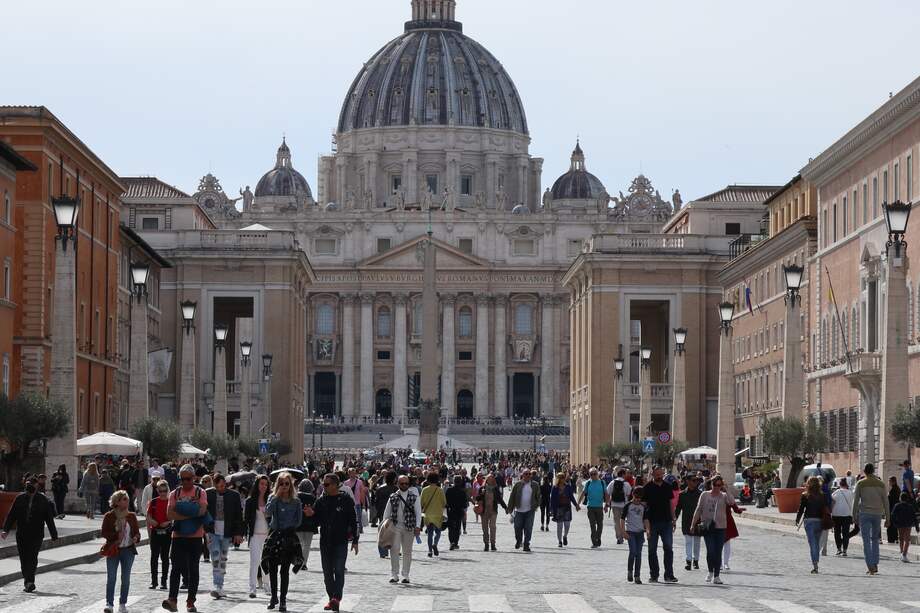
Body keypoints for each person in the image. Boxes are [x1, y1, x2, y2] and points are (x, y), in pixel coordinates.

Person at [303, 474, 359, 613]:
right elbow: (315, 522)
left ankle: (336, 598)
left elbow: (353, 520)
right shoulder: (321, 501)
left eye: (327, 484)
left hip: (340, 542)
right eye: (323, 484)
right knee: (327, 573)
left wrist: (355, 541)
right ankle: (331, 599)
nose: (324, 487)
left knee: (339, 571)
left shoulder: (346, 500)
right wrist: (310, 515)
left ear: (335, 485)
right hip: (325, 542)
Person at [162, 464, 209, 613]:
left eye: (188, 479)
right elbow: (170, 514)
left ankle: (190, 601)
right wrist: (190, 512)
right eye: (182, 479)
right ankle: (172, 600)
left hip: (195, 537)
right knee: (175, 568)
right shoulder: (174, 494)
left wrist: (181, 511)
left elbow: (202, 511)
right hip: (178, 536)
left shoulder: (200, 492)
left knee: (193, 569)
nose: (185, 482)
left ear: (194, 478)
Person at [0, 475, 58, 592]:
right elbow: (12, 515)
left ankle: (29, 582)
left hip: (36, 534)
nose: (30, 488)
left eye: (32, 485)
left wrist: (54, 534)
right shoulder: (20, 498)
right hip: (22, 533)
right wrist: (5, 530)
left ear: (37, 486)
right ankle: (27, 579)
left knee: (32, 557)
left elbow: (49, 518)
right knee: (24, 558)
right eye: (28, 485)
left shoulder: (42, 500)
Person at [262, 472, 305, 611]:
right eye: (281, 483)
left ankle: (283, 600)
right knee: (273, 568)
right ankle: (273, 596)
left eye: (287, 483)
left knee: (285, 571)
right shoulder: (272, 497)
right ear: (277, 484)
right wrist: (276, 496)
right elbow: (267, 512)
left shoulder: (296, 501)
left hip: (289, 536)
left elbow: (299, 521)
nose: (284, 486)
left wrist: (289, 526)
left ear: (291, 485)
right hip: (275, 535)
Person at [101, 490, 141, 613]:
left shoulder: (131, 516)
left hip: (128, 550)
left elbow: (137, 533)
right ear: (117, 502)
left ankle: (122, 603)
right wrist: (116, 535)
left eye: (127, 499)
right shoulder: (109, 516)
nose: (127, 501)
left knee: (126, 578)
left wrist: (136, 537)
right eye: (124, 499)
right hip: (114, 549)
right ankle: (109, 604)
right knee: (111, 578)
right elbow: (104, 533)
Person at [205, 474, 244, 599]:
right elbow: (203, 511)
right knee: (215, 558)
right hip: (212, 531)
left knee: (223, 559)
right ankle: (217, 585)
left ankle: (220, 585)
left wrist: (238, 533)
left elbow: (238, 515)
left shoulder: (234, 495)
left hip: (227, 532)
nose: (222, 487)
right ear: (215, 484)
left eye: (224, 485)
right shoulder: (208, 494)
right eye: (219, 485)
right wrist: (204, 528)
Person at [690, 475, 731, 584]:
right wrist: (693, 524)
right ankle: (710, 571)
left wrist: (727, 489)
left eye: (719, 485)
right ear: (711, 484)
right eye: (715, 485)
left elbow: (731, 502)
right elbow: (698, 510)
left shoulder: (724, 496)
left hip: (721, 527)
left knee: (718, 552)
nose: (717, 487)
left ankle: (717, 575)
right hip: (708, 527)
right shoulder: (705, 495)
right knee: (711, 551)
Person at [852, 463, 890, 575]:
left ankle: (870, 565)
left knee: (866, 540)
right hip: (877, 514)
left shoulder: (860, 483)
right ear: (873, 471)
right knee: (875, 539)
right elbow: (886, 502)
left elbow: (855, 501)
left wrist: (853, 515)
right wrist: (888, 518)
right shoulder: (881, 484)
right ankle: (875, 563)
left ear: (865, 471)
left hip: (864, 513)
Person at [382, 474, 421, 583]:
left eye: (406, 483)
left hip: (409, 527)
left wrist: (418, 526)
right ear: (398, 484)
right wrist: (386, 526)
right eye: (402, 483)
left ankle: (405, 575)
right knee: (394, 550)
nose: (404, 485)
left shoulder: (414, 496)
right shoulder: (393, 496)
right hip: (395, 527)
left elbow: (418, 512)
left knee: (407, 551)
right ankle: (394, 574)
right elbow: (386, 514)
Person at [643, 466, 679, 583]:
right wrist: (644, 523)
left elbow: (671, 504)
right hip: (652, 522)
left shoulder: (667, 487)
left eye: (661, 474)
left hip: (666, 522)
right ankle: (654, 575)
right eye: (657, 474)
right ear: (652, 474)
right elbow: (643, 505)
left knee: (668, 548)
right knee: (652, 550)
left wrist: (674, 519)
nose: (659, 476)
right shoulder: (647, 487)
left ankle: (669, 574)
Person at [795, 476, 829, 574]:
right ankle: (816, 562)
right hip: (819, 521)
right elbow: (826, 507)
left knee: (812, 543)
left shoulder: (805, 495)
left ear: (808, 484)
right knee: (816, 543)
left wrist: (797, 519)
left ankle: (815, 564)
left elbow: (801, 508)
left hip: (809, 521)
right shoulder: (822, 495)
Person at [245, 475, 270, 598]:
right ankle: (252, 588)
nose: (263, 486)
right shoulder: (250, 501)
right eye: (261, 484)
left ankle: (267, 585)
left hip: (268, 535)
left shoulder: (271, 499)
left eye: (266, 484)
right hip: (255, 535)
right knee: (254, 562)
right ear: (257, 485)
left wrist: (268, 516)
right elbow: (246, 519)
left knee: (266, 562)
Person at [146, 481, 172, 590]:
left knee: (165, 557)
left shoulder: (171, 502)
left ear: (168, 490)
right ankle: (154, 581)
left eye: (165, 491)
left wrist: (168, 522)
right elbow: (148, 517)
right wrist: (152, 521)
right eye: (160, 491)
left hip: (166, 532)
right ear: (157, 491)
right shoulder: (153, 502)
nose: (163, 493)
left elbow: (173, 516)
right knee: (154, 557)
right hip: (155, 531)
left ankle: (164, 581)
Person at [620, 486, 649, 584]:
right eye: (636, 497)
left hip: (640, 532)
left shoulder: (643, 507)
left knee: (639, 554)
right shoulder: (628, 505)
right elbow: (622, 519)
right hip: (630, 532)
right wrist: (623, 532)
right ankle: (630, 571)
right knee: (633, 551)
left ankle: (637, 576)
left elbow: (646, 519)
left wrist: (648, 530)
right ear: (633, 495)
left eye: (640, 498)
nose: (637, 500)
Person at [507, 469, 540, 552]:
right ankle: (518, 540)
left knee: (528, 528)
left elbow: (539, 497)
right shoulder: (518, 485)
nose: (528, 475)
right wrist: (510, 508)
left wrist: (536, 505)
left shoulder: (535, 485)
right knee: (517, 527)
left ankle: (526, 544)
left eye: (529, 474)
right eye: (526, 474)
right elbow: (512, 496)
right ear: (522, 475)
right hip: (519, 510)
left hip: (530, 510)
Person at [674, 475, 702, 571]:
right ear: (688, 481)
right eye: (693, 480)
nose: (695, 482)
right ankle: (688, 561)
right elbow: (678, 508)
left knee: (697, 542)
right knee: (688, 541)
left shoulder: (700, 494)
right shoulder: (682, 494)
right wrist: (674, 520)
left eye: (696, 481)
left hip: (698, 521)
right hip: (686, 521)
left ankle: (696, 560)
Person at [474, 474, 507, 551]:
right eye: (489, 478)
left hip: (493, 510)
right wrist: (481, 494)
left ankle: (493, 544)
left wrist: (505, 507)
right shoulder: (482, 488)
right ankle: (486, 544)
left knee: (492, 527)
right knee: (484, 528)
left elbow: (500, 499)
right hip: (484, 511)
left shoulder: (495, 489)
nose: (490, 480)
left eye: (492, 478)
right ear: (486, 480)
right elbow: (477, 499)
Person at [579, 468, 608, 548]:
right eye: (591, 474)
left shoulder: (602, 482)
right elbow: (583, 493)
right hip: (590, 507)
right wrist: (578, 504)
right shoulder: (588, 483)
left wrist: (607, 505)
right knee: (592, 525)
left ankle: (598, 537)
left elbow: (606, 494)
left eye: (594, 474)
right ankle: (594, 541)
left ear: (597, 474)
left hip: (599, 507)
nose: (593, 476)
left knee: (600, 524)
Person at [549, 472, 579, 548]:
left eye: (563, 477)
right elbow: (552, 499)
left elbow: (571, 497)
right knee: (559, 526)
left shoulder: (568, 487)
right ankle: (559, 541)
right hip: (558, 508)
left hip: (567, 508)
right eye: (560, 477)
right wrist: (551, 509)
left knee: (567, 525)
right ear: (557, 479)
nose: (562, 479)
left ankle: (565, 536)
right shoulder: (555, 488)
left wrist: (576, 505)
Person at [420, 473, 446, 558]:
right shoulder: (440, 490)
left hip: (428, 514)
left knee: (430, 533)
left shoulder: (424, 490)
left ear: (428, 480)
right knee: (438, 532)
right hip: (437, 514)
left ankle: (429, 550)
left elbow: (421, 503)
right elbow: (444, 503)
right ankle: (435, 544)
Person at [296, 479, 318, 569]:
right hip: (310, 524)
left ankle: (299, 562)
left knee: (299, 544)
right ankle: (304, 563)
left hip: (298, 524)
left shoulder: (296, 497)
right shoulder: (313, 498)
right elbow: (316, 511)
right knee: (307, 545)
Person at [891, 491, 919, 562]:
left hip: (900, 525)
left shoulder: (897, 505)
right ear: (907, 499)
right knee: (907, 540)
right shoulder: (910, 506)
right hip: (908, 525)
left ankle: (901, 553)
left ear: (900, 498)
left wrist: (895, 523)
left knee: (901, 539)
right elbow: (914, 517)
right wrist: (916, 526)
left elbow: (893, 515)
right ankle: (904, 554)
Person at [607, 468, 632, 545]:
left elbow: (608, 492)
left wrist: (608, 503)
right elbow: (629, 493)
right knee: (624, 520)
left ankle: (619, 537)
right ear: (623, 474)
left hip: (614, 504)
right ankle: (625, 535)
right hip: (624, 505)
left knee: (616, 522)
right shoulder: (626, 483)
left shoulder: (612, 482)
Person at [831, 477, 854, 557]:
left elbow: (832, 504)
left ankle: (838, 549)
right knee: (845, 533)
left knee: (837, 532)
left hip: (836, 515)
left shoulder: (835, 493)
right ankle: (845, 550)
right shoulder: (851, 493)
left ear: (839, 484)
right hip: (847, 515)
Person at [445, 475, 468, 550]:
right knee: (457, 527)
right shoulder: (462, 492)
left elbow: (445, 502)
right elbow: (465, 504)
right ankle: (455, 542)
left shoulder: (449, 490)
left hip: (450, 511)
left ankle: (451, 542)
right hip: (459, 511)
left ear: (454, 481)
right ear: (460, 482)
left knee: (451, 528)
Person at [886, 476, 901, 544]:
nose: (888, 482)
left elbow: (890, 500)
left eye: (889, 481)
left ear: (893, 481)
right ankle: (895, 538)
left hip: (892, 509)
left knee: (891, 525)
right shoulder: (897, 489)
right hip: (896, 509)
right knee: (894, 525)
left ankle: (891, 539)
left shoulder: (893, 490)